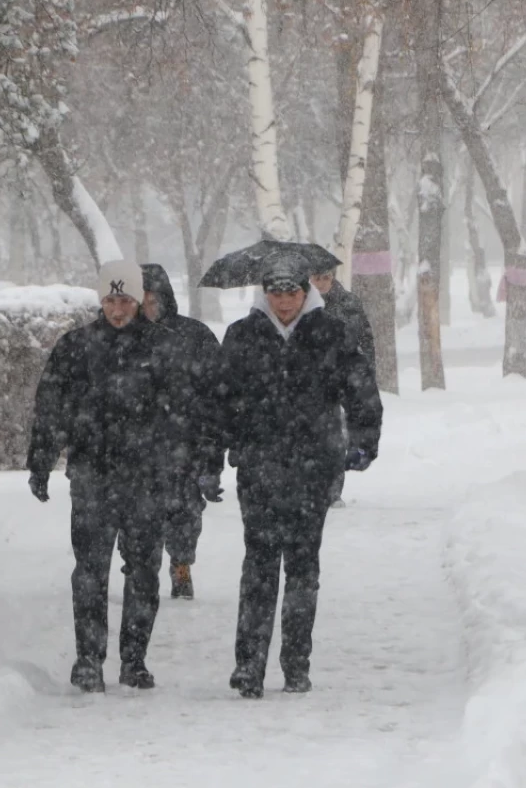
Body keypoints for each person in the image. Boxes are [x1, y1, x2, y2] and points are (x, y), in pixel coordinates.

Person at [27, 260, 219, 694]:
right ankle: (89, 660)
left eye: (126, 300)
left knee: (144, 571)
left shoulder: (163, 349)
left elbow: (187, 414)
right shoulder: (75, 346)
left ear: (139, 301)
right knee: (90, 571)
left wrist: (196, 464)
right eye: (111, 300)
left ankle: (134, 660)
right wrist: (40, 461)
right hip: (93, 474)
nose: (118, 309)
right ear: (101, 300)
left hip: (148, 478)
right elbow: (50, 408)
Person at [220, 253, 382, 699]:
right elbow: (218, 400)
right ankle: (249, 665)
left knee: (302, 568)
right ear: (264, 294)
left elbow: (361, 388)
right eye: (276, 292)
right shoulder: (242, 337)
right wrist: (210, 456)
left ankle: (296, 663)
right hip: (259, 466)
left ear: (305, 292)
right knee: (259, 565)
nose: (284, 301)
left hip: (314, 468)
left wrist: (364, 438)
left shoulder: (332, 332)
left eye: (292, 292)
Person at [138, 263, 224, 600]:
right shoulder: (118, 340)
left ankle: (181, 564)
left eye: (152, 300)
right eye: (139, 300)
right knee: (138, 517)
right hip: (138, 448)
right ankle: (140, 570)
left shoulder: (194, 336)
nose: (146, 308)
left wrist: (213, 457)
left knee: (185, 514)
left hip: (186, 446)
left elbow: (219, 397)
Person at [309, 268, 376, 509]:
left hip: (341, 379)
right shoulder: (299, 304)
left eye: (325, 277)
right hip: (307, 381)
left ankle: (332, 491)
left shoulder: (348, 303)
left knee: (336, 436)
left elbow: (365, 339)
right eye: (316, 278)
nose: (321, 283)